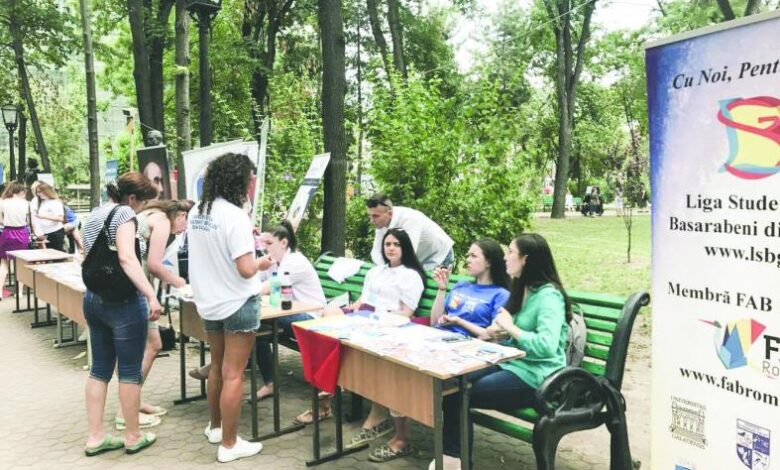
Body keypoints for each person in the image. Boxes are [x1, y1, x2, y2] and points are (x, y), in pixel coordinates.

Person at [431, 233, 570, 470]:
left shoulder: (549, 296)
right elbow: (499, 331)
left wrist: (511, 328)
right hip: (509, 362)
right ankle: (454, 459)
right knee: (452, 381)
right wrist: (497, 332)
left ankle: (456, 461)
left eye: (511, 252)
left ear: (526, 259)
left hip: (537, 375)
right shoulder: (522, 289)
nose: (505, 257)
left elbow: (546, 346)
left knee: (461, 393)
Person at [187, 152, 265, 463]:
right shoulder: (235, 216)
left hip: (210, 303)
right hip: (238, 302)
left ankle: (216, 428)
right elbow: (246, 270)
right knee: (234, 374)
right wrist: (263, 262)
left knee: (217, 366)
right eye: (250, 178)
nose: (252, 183)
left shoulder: (197, 211)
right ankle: (230, 446)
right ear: (239, 180)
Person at [82, 172, 161, 457]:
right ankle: (132, 435)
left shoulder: (94, 213)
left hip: (93, 299)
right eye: (143, 203)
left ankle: (96, 437)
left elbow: (87, 255)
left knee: (99, 370)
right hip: (124, 303)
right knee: (129, 371)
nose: (141, 209)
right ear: (132, 198)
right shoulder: (125, 214)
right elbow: (127, 258)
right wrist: (150, 294)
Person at [338, 228, 426, 462]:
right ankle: (333, 396)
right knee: (333, 334)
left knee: (377, 359)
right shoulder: (377, 271)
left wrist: (376, 316)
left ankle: (383, 418)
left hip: (393, 326)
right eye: (387, 244)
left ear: (405, 248)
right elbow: (363, 300)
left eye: (396, 244)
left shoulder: (410, 276)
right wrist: (354, 310)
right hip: (369, 321)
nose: (391, 248)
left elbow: (407, 313)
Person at [114, 199, 194, 430]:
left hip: (127, 287)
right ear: (181, 215)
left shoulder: (150, 214)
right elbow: (154, 265)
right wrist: (180, 283)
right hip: (135, 288)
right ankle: (125, 411)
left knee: (144, 347)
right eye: (186, 225)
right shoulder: (162, 221)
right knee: (149, 346)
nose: (182, 231)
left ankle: (134, 402)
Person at [253, 220, 326, 401]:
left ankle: (223, 367)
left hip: (311, 316)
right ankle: (270, 384)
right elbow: (256, 280)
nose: (265, 248)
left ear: (284, 243)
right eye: (263, 243)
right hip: (287, 312)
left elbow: (267, 287)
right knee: (255, 330)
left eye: (269, 243)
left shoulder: (294, 261)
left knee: (253, 322)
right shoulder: (273, 261)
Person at [430, 239, 510, 339]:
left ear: (489, 262)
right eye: (468, 255)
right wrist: (442, 289)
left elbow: (492, 336)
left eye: (473, 256)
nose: (468, 260)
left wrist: (459, 322)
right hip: (439, 337)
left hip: (468, 343)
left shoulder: (500, 294)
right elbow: (434, 322)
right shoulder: (461, 285)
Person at [366, 194, 454, 270]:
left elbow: (408, 253)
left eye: (375, 216)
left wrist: (389, 269)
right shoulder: (381, 224)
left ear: (390, 214)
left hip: (440, 256)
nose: (371, 221)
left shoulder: (409, 219)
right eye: (370, 216)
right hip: (420, 259)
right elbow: (376, 251)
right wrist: (384, 267)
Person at [0, 182, 32, 297]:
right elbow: (28, 221)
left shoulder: (3, 202)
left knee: (4, 263)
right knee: (20, 263)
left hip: (7, 232)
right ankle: (19, 292)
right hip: (21, 233)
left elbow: (1, 221)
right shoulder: (26, 203)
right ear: (21, 191)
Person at [32, 182, 66, 251]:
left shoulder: (55, 202)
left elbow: (60, 218)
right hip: (45, 233)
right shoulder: (43, 202)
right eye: (37, 192)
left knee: (57, 254)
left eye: (39, 192)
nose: (38, 194)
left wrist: (44, 216)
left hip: (55, 232)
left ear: (46, 191)